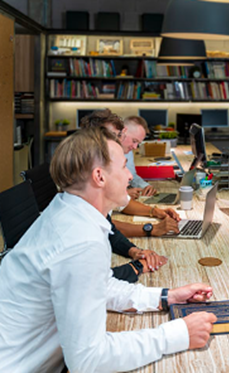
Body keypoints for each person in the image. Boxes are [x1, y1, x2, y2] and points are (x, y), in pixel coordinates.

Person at [0, 127, 217, 372]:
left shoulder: (71, 212)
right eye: (124, 167)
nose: (128, 176)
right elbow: (89, 360)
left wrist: (166, 297)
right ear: (99, 177)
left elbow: (101, 285)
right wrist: (176, 335)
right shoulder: (80, 241)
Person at [81, 109, 181, 238]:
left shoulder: (105, 159)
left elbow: (124, 203)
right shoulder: (88, 170)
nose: (119, 139)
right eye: (116, 136)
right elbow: (102, 226)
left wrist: (155, 212)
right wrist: (150, 229)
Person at [123, 115, 157, 198]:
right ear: (123, 131)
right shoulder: (100, 152)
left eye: (138, 143)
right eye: (134, 141)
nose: (135, 147)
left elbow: (132, 176)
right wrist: (124, 194)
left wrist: (145, 186)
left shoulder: (127, 150)